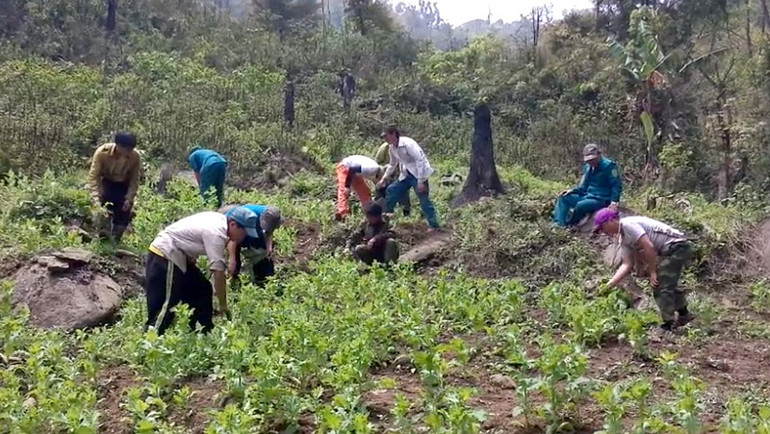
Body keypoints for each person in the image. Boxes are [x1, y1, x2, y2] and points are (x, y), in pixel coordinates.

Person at [144, 207, 259, 334]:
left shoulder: (219, 220)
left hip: (181, 255)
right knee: (167, 302)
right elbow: (218, 271)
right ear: (233, 225)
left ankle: (202, 331)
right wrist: (223, 304)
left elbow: (191, 235)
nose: (243, 237)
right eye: (243, 232)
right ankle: (152, 336)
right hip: (165, 254)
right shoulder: (217, 233)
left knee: (202, 289)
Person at [593, 208, 696, 331]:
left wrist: (652, 272)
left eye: (602, 227)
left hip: (678, 247)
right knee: (667, 282)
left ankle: (669, 323)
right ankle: (684, 314)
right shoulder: (623, 238)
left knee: (660, 284)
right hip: (670, 250)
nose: (603, 232)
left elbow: (648, 246)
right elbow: (626, 264)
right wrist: (609, 285)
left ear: (610, 221)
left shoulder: (627, 224)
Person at [377, 126, 440, 230]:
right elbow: (392, 164)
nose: (385, 139)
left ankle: (434, 225)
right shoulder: (392, 148)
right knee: (392, 190)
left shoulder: (408, 144)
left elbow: (419, 160)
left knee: (423, 199)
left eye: (386, 136)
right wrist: (384, 178)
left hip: (418, 174)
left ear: (393, 134)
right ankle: (386, 217)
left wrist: (420, 181)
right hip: (406, 174)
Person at [88, 132, 141, 243]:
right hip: (106, 182)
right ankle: (103, 239)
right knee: (102, 210)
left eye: (131, 149)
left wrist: (129, 198)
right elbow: (93, 176)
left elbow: (134, 179)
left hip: (123, 185)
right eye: (127, 149)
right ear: (118, 146)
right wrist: (95, 197)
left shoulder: (135, 156)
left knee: (123, 213)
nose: (129, 152)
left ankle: (115, 242)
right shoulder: (102, 153)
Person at [553, 144, 622, 228]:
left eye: (593, 159)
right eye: (588, 160)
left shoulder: (609, 166)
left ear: (599, 155)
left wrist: (614, 201)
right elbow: (584, 186)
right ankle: (559, 225)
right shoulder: (587, 167)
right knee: (563, 197)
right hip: (587, 195)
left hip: (601, 199)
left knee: (581, 205)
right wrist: (573, 190)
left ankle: (572, 224)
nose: (591, 162)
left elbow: (616, 185)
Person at [219, 204, 283, 287]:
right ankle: (235, 282)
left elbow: (268, 231)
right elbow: (233, 239)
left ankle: (263, 281)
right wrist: (232, 259)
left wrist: (268, 246)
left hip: (250, 233)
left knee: (264, 258)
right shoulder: (248, 217)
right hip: (236, 233)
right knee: (234, 264)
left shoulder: (272, 218)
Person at [335, 155, 384, 221]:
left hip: (355, 173)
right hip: (345, 167)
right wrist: (347, 186)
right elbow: (352, 169)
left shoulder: (375, 172)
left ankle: (368, 211)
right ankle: (342, 213)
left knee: (364, 191)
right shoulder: (373, 169)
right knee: (343, 190)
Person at [375, 142, 411, 217]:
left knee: (402, 192)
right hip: (385, 173)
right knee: (381, 192)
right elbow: (377, 162)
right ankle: (380, 213)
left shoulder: (404, 147)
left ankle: (406, 213)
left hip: (399, 174)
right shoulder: (385, 147)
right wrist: (384, 171)